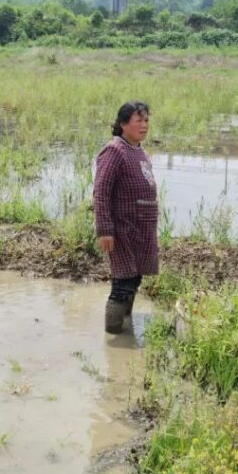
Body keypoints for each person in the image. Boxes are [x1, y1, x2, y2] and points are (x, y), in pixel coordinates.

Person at [93, 101, 159, 334]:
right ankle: (114, 335)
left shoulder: (139, 151)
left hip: (140, 231)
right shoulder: (114, 151)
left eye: (146, 120)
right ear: (123, 124)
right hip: (122, 231)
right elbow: (101, 192)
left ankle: (125, 324)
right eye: (138, 120)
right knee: (123, 283)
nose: (144, 125)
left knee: (134, 279)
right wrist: (105, 230)